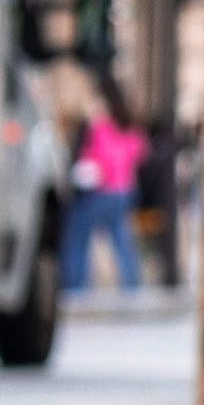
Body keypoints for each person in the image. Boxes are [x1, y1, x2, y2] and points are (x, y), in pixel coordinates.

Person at [64, 86, 151, 297]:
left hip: (100, 190)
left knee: (78, 236)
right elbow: (142, 153)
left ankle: (75, 285)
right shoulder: (130, 127)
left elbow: (93, 157)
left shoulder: (101, 127)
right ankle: (132, 284)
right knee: (122, 238)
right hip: (124, 190)